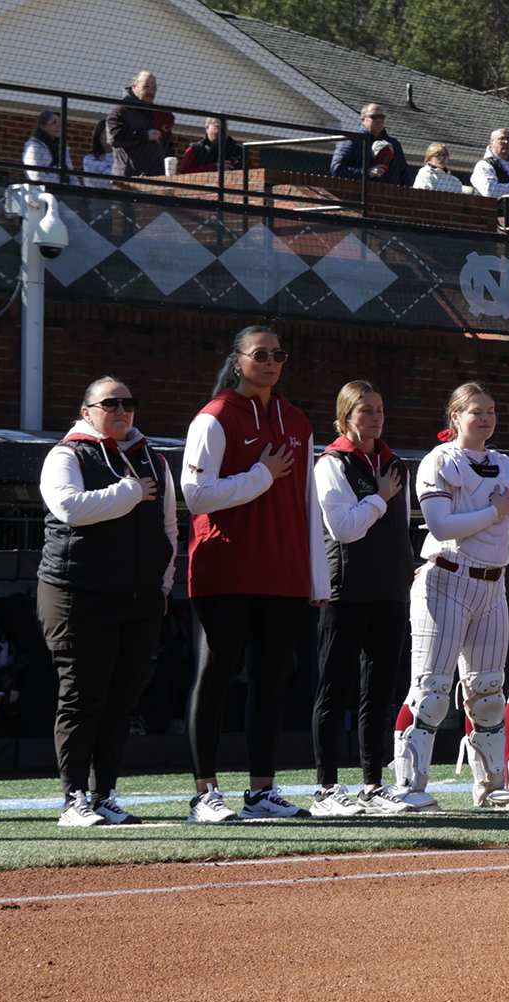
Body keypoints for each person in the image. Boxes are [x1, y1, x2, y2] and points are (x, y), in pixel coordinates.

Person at [180, 327, 327, 823]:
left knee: (272, 681)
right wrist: (260, 476)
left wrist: (316, 577)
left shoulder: (299, 422)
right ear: (237, 360)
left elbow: (310, 504)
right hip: (226, 568)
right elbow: (196, 496)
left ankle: (262, 791)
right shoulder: (215, 417)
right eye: (260, 354)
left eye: (278, 355)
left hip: (283, 571)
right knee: (215, 676)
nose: (270, 362)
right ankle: (206, 793)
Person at [39, 378, 176, 826]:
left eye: (129, 403)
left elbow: (170, 528)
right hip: (77, 592)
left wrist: (164, 582)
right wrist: (130, 491)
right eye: (110, 403)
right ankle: (74, 798)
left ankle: (104, 795)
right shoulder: (67, 453)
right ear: (86, 411)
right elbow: (69, 507)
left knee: (122, 699)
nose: (121, 410)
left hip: (140, 596)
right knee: (83, 695)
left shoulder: (154, 458)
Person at [392, 383, 509, 810]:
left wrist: (487, 516)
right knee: (431, 690)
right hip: (447, 577)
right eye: (475, 412)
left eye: (490, 411)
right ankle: (409, 787)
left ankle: (490, 787)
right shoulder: (440, 460)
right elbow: (442, 526)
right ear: (455, 417)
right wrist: (494, 513)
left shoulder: (504, 463)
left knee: (487, 693)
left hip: (492, 583)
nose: (484, 418)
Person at [307, 381, 415, 816]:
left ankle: (373, 783)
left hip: (390, 591)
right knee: (334, 688)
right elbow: (344, 528)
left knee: (380, 692)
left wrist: (407, 567)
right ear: (346, 415)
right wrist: (379, 497)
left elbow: (402, 527)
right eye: (366, 410)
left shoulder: (394, 463)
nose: (375, 417)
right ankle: (326, 787)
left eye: (380, 409)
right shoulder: (331, 463)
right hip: (345, 590)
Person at [104, 71, 167, 179]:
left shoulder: (158, 114)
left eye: (154, 87)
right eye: (146, 87)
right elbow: (114, 137)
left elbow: (167, 145)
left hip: (157, 179)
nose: (151, 91)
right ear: (134, 87)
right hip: (128, 180)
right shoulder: (122, 110)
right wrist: (144, 136)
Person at [331, 104, 410, 185]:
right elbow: (337, 169)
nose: (379, 120)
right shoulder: (350, 140)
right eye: (374, 117)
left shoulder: (394, 144)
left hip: (389, 194)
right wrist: (366, 172)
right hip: (359, 193)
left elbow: (403, 173)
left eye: (382, 117)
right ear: (363, 120)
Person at [471, 128, 509, 199]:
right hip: (491, 208)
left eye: (508, 139)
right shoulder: (484, 166)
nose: (506, 142)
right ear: (492, 143)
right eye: (502, 139)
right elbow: (489, 191)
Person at [177, 117, 242, 174]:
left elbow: (251, 173)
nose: (223, 130)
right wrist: (215, 167)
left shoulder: (239, 151)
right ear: (207, 128)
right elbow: (184, 172)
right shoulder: (195, 149)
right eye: (218, 126)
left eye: (225, 127)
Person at [22, 110, 62, 183]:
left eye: (60, 123)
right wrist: (54, 186)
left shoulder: (62, 149)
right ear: (43, 126)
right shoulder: (33, 145)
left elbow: (72, 176)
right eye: (54, 123)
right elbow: (33, 172)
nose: (58, 126)